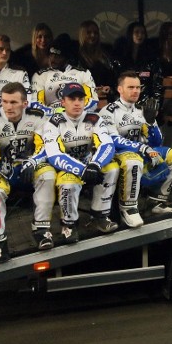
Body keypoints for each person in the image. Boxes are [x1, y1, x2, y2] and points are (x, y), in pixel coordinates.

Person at [0, 82, 56, 258]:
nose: (8, 107)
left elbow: (46, 146)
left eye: (13, 102)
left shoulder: (38, 116)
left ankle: (41, 229)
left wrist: (33, 162)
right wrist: (0, 169)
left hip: (28, 165)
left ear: (25, 104)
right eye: (4, 102)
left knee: (48, 175)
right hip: (1, 168)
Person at [99, 71, 172, 227]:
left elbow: (158, 141)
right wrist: (142, 148)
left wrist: (151, 122)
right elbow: (112, 140)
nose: (136, 91)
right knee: (133, 160)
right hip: (119, 155)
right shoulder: (108, 111)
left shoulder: (142, 110)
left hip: (143, 152)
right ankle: (129, 208)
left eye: (138, 87)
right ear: (119, 89)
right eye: (131, 87)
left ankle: (156, 202)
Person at [43, 82, 121, 241]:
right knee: (68, 183)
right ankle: (68, 224)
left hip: (89, 163)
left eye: (80, 99)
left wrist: (95, 165)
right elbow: (54, 154)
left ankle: (100, 215)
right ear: (63, 102)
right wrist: (82, 170)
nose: (77, 103)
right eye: (72, 99)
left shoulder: (94, 118)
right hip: (65, 167)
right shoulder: (53, 122)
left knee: (112, 167)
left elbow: (107, 144)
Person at [30, 33, 98, 114]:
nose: (53, 59)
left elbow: (92, 101)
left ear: (66, 58)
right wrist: (55, 112)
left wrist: (74, 113)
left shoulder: (83, 73)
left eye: (57, 56)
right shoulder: (40, 75)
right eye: (51, 54)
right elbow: (35, 103)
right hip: (49, 118)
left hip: (78, 117)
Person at [112, 21, 164, 108]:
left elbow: (157, 82)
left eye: (142, 33)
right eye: (136, 32)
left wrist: (155, 104)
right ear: (130, 34)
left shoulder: (151, 57)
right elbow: (115, 80)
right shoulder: (120, 57)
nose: (140, 35)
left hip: (145, 101)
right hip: (124, 100)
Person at [76, 20, 120, 102]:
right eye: (88, 32)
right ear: (82, 34)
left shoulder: (106, 55)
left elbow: (113, 77)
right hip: (84, 99)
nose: (93, 35)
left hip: (106, 99)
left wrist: (110, 89)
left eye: (95, 33)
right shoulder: (75, 56)